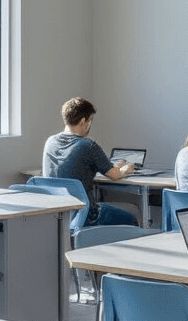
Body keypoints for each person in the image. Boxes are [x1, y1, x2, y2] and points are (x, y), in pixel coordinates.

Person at [42, 97, 139, 227]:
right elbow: (115, 175)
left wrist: (116, 165)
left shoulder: (50, 142)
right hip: (86, 215)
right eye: (90, 120)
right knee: (132, 217)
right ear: (84, 121)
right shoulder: (88, 145)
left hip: (59, 214)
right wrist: (126, 169)